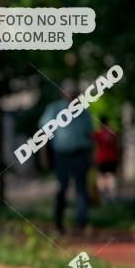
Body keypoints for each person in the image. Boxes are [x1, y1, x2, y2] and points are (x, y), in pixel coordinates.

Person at [39, 80, 93, 232]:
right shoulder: (54, 109)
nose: (71, 95)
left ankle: (81, 223)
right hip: (61, 155)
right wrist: (44, 156)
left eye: (74, 92)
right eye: (68, 92)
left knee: (81, 189)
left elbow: (90, 136)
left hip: (80, 154)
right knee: (62, 188)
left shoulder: (84, 111)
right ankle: (58, 222)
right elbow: (44, 133)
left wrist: (92, 157)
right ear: (62, 93)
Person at [92, 116, 118, 202]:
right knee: (110, 176)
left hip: (101, 158)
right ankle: (112, 196)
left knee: (101, 176)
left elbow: (92, 140)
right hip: (112, 158)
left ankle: (102, 195)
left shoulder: (98, 133)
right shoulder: (112, 131)